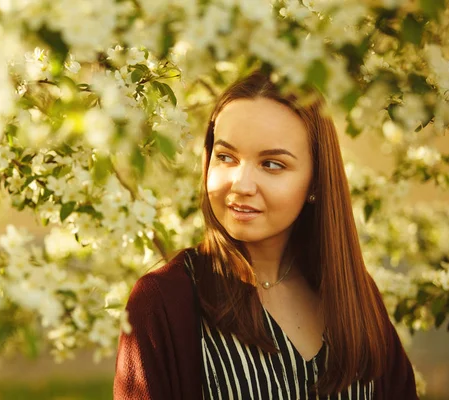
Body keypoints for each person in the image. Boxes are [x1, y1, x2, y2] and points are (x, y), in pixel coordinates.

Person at [113, 71, 418, 400]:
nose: (241, 185)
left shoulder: (354, 294)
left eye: (272, 164)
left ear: (316, 182)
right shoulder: (164, 301)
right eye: (226, 157)